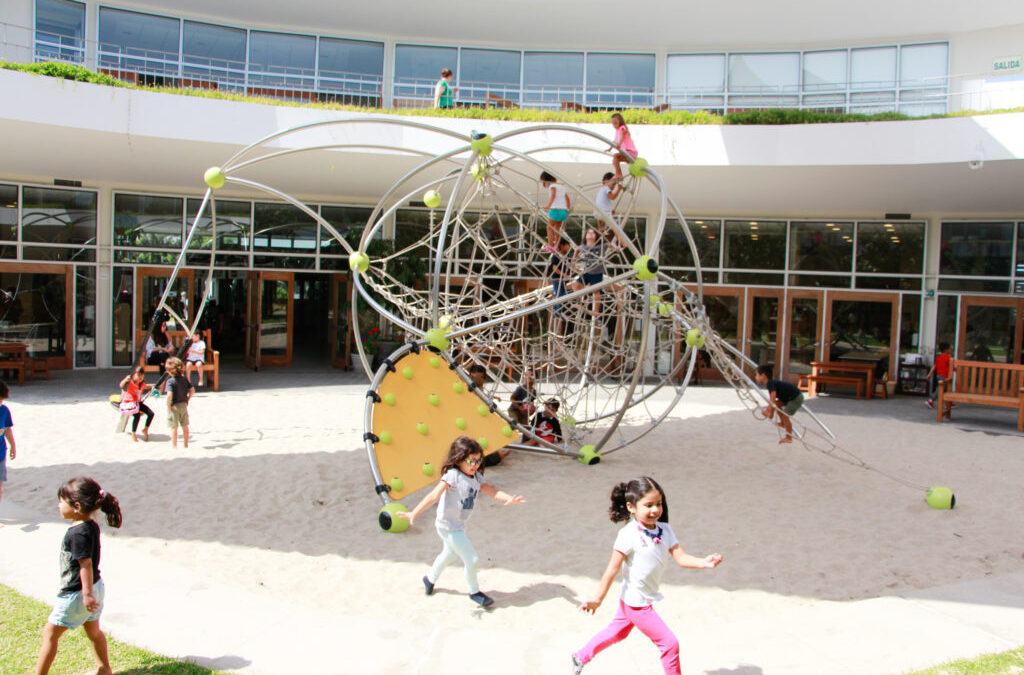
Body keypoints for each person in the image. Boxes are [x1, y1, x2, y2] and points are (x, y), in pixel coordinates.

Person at [571, 477, 722, 674]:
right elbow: (612, 569)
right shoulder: (628, 534)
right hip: (636, 603)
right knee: (669, 644)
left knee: (617, 633)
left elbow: (681, 558)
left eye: (658, 504)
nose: (655, 510)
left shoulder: (665, 530)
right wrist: (597, 600)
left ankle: (580, 656)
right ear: (631, 507)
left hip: (634, 599)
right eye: (648, 505)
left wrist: (704, 562)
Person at [398, 436, 525, 608]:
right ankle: (474, 592)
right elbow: (434, 495)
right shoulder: (453, 475)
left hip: (459, 526)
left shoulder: (476, 477)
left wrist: (509, 498)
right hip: (447, 527)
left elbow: (492, 491)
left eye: (478, 460)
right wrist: (414, 513)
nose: (475, 465)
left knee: (448, 555)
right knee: (471, 559)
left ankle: (429, 579)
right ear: (458, 460)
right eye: (470, 461)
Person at [35, 476, 123, 675]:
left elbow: (85, 564)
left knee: (50, 634)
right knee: (93, 631)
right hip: (96, 587)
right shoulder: (90, 525)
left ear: (76, 506)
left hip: (78, 593)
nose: (58, 505)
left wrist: (86, 594)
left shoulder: (78, 533)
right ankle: (104, 668)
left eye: (61, 502)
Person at [569, 228, 614, 317]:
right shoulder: (584, 247)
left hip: (597, 273)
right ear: (585, 236)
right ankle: (579, 303)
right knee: (576, 285)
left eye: (593, 233)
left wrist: (615, 248)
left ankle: (596, 310)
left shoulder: (600, 246)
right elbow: (577, 249)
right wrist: (574, 260)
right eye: (588, 233)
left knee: (596, 291)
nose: (590, 234)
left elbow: (610, 244)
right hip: (587, 272)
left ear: (596, 237)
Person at [754, 364, 803, 444]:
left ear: (763, 376)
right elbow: (774, 401)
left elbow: (772, 397)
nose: (755, 377)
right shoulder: (771, 382)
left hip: (795, 398)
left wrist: (768, 410)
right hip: (788, 396)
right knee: (777, 404)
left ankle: (788, 437)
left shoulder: (770, 383)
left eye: (756, 375)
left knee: (785, 416)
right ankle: (781, 421)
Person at [118, 367, 153, 442]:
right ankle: (133, 433)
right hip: (129, 403)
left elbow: (146, 386)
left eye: (142, 376)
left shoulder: (142, 384)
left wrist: (154, 385)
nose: (140, 377)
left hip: (137, 403)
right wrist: (125, 379)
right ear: (133, 375)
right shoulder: (130, 383)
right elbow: (121, 385)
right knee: (137, 416)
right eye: (138, 375)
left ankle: (145, 429)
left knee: (151, 413)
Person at [164, 357, 193, 449]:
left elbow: (169, 395)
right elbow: (192, 390)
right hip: (184, 405)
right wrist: (188, 398)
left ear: (169, 371)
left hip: (174, 405)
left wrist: (168, 404)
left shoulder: (170, 381)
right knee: (185, 426)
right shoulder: (184, 379)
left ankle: (174, 445)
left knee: (174, 427)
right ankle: (185, 444)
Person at [541, 171, 570, 251]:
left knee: (549, 227)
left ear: (545, 180)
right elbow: (567, 198)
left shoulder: (552, 186)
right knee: (557, 228)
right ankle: (557, 246)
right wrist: (567, 208)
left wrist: (548, 205)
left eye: (544, 183)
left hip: (555, 209)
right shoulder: (562, 187)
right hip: (563, 211)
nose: (545, 185)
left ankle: (550, 245)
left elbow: (553, 195)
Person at [925, 342, 953, 418]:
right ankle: (930, 400)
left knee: (945, 389)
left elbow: (934, 367)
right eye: (950, 348)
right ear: (947, 350)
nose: (951, 349)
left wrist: (929, 374)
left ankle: (949, 402)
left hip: (938, 375)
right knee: (940, 389)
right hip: (944, 377)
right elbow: (952, 365)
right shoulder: (948, 358)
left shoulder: (939, 357)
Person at [548, 239, 573, 319]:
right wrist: (563, 274)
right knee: (560, 295)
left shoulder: (567, 257)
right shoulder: (556, 255)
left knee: (561, 295)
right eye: (567, 245)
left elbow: (571, 265)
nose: (569, 247)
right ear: (562, 246)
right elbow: (554, 267)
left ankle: (557, 311)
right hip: (557, 279)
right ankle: (557, 312)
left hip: (563, 280)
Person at [610, 112, 638, 181]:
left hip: (630, 152)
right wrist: (609, 148)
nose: (614, 125)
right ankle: (619, 176)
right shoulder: (617, 131)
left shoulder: (622, 128)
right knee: (615, 160)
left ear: (620, 122)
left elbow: (622, 136)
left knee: (615, 156)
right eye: (613, 123)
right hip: (627, 153)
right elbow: (614, 142)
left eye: (616, 123)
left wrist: (619, 144)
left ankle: (619, 174)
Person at [0, 380, 14, 510]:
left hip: (1, 454)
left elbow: (8, 430)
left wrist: (13, 446)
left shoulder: (4, 411)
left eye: (1, 400)